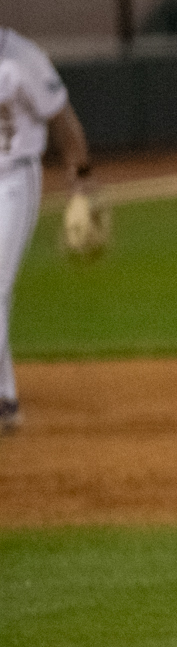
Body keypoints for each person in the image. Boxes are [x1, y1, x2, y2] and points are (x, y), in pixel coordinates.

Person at [0, 28, 91, 433]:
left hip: (13, 180)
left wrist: (81, 179)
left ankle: (3, 401)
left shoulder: (22, 57)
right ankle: (5, 395)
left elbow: (62, 118)